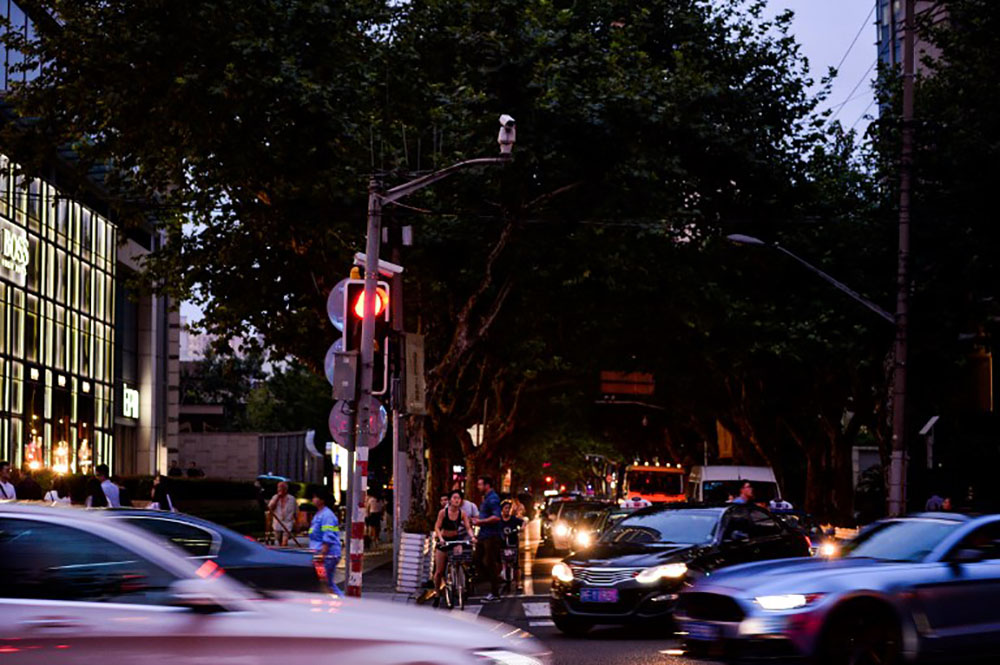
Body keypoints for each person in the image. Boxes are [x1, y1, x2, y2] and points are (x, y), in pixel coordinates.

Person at [433, 490, 476, 603]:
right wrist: (440, 539)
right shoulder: (443, 512)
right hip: (444, 541)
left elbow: (468, 527)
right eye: (454, 498)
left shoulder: (462, 513)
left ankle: (460, 586)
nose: (457, 500)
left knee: (458, 563)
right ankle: (437, 593)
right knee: (439, 571)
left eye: (459, 498)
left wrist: (472, 537)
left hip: (455, 540)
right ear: (450, 500)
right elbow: (437, 527)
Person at [472, 476, 503, 603]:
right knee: (477, 559)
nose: (478, 487)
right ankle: (492, 579)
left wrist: (481, 521)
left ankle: (495, 592)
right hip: (483, 534)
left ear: (487, 485)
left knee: (489, 562)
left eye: (480, 484)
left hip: (491, 535)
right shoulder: (486, 498)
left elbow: (497, 517)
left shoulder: (493, 499)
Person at [309, 490, 343, 596]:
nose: (313, 499)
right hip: (322, 553)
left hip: (327, 555)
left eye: (315, 497)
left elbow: (328, 536)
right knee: (325, 583)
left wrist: (322, 554)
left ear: (322, 500)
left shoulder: (327, 515)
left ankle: (342, 601)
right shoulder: (320, 514)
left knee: (326, 584)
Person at [499, 500, 524, 591]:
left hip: (513, 543)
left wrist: (521, 528)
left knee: (516, 564)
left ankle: (518, 583)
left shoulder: (513, 519)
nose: (507, 510)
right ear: (502, 509)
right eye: (505, 508)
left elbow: (523, 522)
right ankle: (503, 580)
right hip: (502, 544)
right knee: (502, 562)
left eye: (508, 508)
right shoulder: (499, 520)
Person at [268, 481, 298, 547]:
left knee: (284, 543)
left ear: (286, 489)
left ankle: (284, 548)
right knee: (279, 542)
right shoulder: (274, 497)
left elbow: (295, 511)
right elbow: (270, 508)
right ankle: (282, 550)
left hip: (287, 523)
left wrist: (297, 523)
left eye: (282, 487)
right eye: (279, 487)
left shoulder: (292, 499)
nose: (280, 489)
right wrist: (277, 498)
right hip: (277, 524)